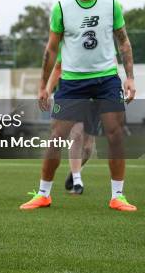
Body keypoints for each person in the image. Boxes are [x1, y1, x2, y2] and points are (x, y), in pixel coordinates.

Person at [22, 0, 137, 212]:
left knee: (115, 134)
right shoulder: (61, 8)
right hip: (73, 83)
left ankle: (118, 196)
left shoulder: (111, 5)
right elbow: (51, 50)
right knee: (56, 137)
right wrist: (43, 86)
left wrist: (129, 77)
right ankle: (43, 194)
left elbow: (124, 42)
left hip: (107, 79)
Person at [45, 53, 97, 195]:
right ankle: (77, 179)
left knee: (87, 148)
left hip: (95, 94)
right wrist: (47, 91)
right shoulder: (69, 42)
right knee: (77, 133)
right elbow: (57, 68)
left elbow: (113, 65)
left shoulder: (102, 43)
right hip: (72, 91)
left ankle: (74, 172)